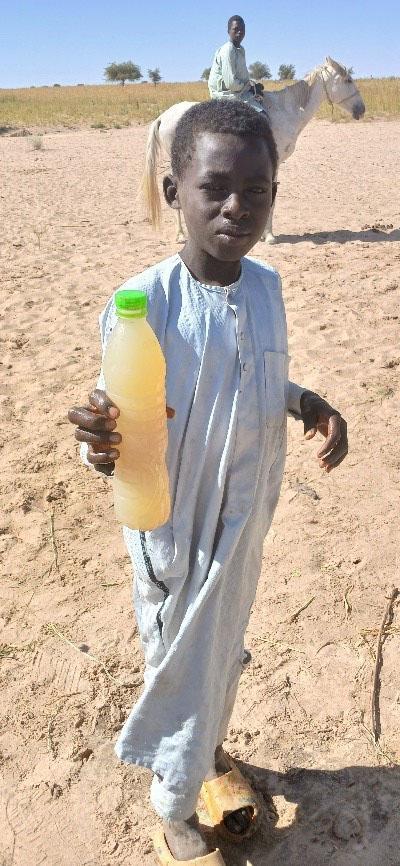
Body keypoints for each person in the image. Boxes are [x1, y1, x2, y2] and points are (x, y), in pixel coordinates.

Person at [68, 100, 348, 865]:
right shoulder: (143, 304)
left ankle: (208, 753)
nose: (236, 207)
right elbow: (112, 413)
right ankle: (174, 815)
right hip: (169, 526)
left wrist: (310, 403)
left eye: (255, 190)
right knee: (176, 660)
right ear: (172, 194)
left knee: (220, 651)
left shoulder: (265, 289)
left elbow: (263, 375)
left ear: (275, 196)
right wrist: (98, 438)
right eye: (214, 188)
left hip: (242, 524)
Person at [208, 15, 265, 113]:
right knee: (262, 116)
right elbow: (231, 83)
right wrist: (249, 88)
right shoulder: (228, 50)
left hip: (238, 91)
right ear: (228, 31)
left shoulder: (240, 50)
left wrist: (253, 87)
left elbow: (241, 75)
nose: (240, 32)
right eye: (235, 29)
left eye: (242, 29)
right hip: (225, 94)